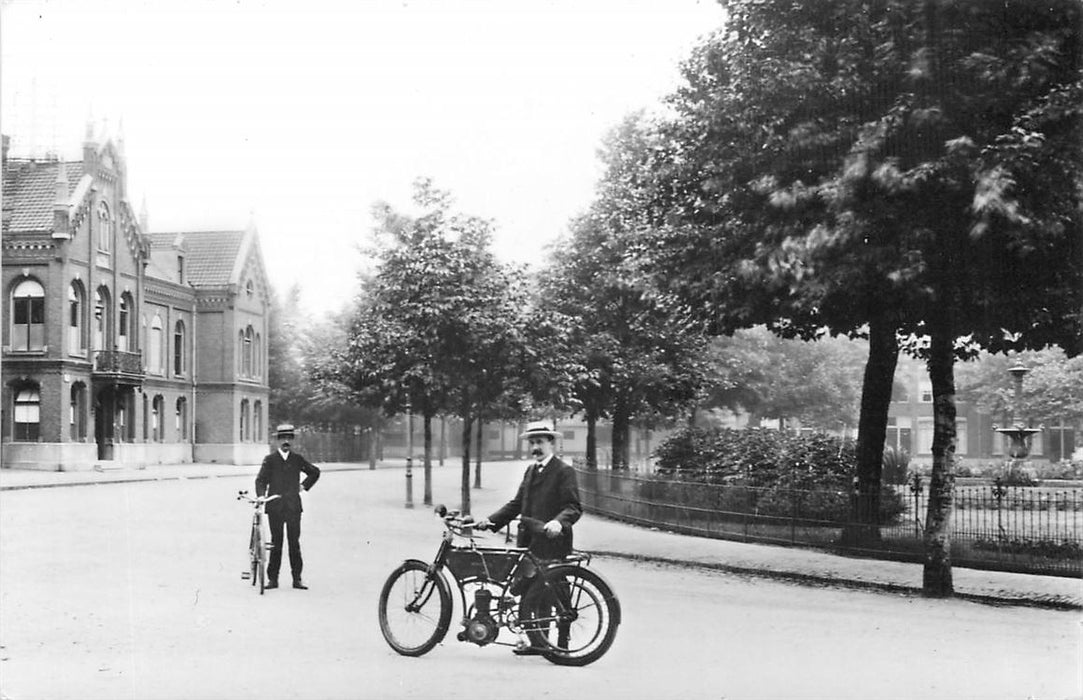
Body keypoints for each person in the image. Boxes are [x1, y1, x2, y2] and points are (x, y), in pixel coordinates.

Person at [476, 420, 582, 655]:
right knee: (529, 593)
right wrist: (491, 521)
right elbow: (516, 504)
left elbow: (573, 506)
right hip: (529, 542)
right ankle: (538, 643)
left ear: (551, 443)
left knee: (558, 595)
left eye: (540, 442)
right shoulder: (531, 470)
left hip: (553, 541)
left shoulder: (564, 471)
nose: (535, 447)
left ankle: (561, 647)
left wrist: (558, 522)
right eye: (532, 442)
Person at [255, 424, 321, 590]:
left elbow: (315, 472)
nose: (286, 441)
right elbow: (260, 480)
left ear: (292, 441)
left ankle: (297, 579)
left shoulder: (297, 459)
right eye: (283, 438)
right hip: (275, 506)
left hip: (293, 508)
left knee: (294, 543)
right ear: (277, 441)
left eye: (289, 438)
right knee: (276, 543)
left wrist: (303, 486)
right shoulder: (270, 460)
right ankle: (272, 579)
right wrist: (262, 495)